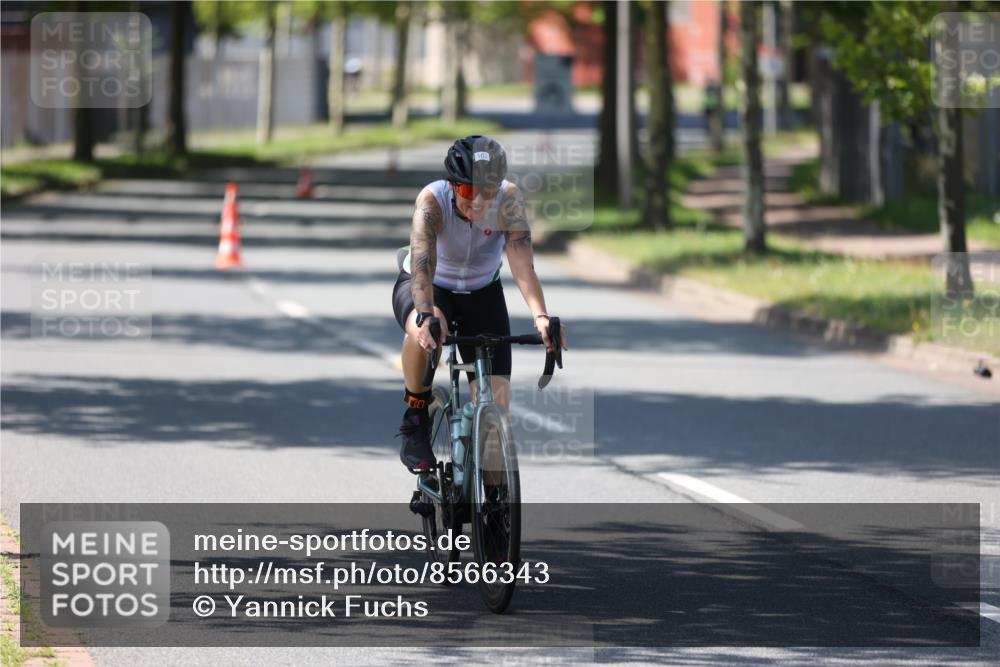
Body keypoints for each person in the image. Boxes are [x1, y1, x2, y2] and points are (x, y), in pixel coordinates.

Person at [391, 135, 568, 472]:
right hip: (431, 287)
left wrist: (540, 316)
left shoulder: (508, 201)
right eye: (469, 192)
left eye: (487, 192)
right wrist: (427, 314)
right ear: (453, 185)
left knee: (497, 414)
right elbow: (422, 268)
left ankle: (495, 505)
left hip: (482, 292)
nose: (478, 203)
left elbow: (522, 265)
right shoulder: (432, 201)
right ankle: (416, 416)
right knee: (426, 326)